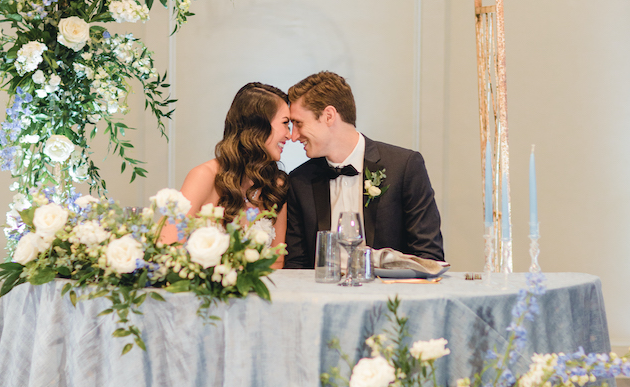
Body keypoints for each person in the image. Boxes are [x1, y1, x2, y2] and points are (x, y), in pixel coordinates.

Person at [284, 71, 444, 269]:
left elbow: (429, 257)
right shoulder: (300, 181)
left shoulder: (404, 167)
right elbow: (295, 266)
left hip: (389, 296)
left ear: (329, 116)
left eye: (298, 123)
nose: (293, 136)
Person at [162, 83, 290, 266]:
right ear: (258, 125)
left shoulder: (276, 185)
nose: (289, 135)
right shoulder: (204, 176)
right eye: (285, 123)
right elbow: (168, 248)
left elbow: (277, 262)